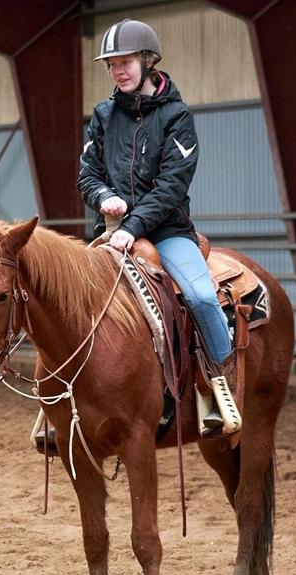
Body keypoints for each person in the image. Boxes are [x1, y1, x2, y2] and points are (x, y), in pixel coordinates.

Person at [77, 18, 239, 434]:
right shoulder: (103, 115)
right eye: (111, 64)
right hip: (113, 231)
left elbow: (172, 185)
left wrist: (133, 225)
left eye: (126, 61)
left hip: (166, 232)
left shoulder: (176, 116)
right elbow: (87, 174)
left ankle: (222, 384)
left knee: (202, 297)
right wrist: (101, 197)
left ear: (149, 61)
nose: (119, 71)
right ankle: (58, 400)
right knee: (65, 298)